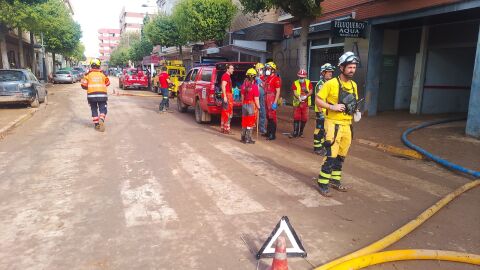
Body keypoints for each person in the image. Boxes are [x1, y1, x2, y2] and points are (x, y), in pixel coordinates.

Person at [315, 52, 360, 197]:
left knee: (341, 155)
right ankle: (322, 182)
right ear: (342, 67)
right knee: (331, 155)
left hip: (347, 125)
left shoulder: (354, 85)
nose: (352, 70)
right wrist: (332, 107)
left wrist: (356, 111)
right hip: (333, 125)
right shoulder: (331, 84)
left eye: (354, 67)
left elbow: (354, 103)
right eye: (349, 67)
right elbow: (318, 100)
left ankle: (335, 180)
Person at [81, 59, 110, 132]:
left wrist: (90, 86)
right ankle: (101, 119)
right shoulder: (103, 74)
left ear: (91, 66)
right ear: (99, 66)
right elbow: (108, 83)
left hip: (91, 96)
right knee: (103, 109)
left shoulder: (87, 75)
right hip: (102, 95)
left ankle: (97, 124)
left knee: (94, 109)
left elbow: (83, 85)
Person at [313, 63, 335, 155]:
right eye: (328, 72)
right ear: (323, 73)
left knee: (324, 130)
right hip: (321, 111)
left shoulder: (328, 83)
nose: (330, 73)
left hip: (327, 111)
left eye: (331, 72)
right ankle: (317, 148)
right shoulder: (320, 84)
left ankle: (321, 146)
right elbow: (318, 100)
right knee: (319, 129)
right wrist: (321, 113)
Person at [289, 69, 312, 138]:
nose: (301, 79)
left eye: (302, 77)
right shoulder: (295, 83)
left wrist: (306, 96)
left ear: (305, 77)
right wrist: (298, 97)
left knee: (304, 119)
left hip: (306, 103)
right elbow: (295, 92)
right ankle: (295, 132)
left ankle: (301, 132)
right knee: (296, 117)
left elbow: (311, 91)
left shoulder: (308, 82)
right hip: (297, 103)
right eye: (300, 77)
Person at [240, 68, 261, 144]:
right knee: (250, 122)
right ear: (254, 77)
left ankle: (243, 137)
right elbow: (256, 99)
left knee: (244, 122)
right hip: (251, 105)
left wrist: (243, 104)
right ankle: (248, 138)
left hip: (244, 104)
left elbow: (242, 96)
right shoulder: (255, 87)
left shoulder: (243, 85)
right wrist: (258, 107)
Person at [264, 61, 281, 140]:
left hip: (272, 97)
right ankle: (268, 132)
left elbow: (278, 91)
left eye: (268, 68)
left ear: (273, 70)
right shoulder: (267, 78)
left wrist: (275, 102)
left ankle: (272, 134)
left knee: (272, 117)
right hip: (267, 96)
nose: (267, 70)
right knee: (268, 116)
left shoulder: (276, 79)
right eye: (267, 68)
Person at [221, 64, 235, 134]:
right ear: (227, 69)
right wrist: (225, 96)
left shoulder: (227, 76)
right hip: (227, 96)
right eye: (231, 68)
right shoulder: (226, 76)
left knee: (225, 112)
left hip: (228, 95)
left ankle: (223, 128)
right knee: (228, 113)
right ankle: (226, 129)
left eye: (233, 68)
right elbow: (223, 86)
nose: (233, 70)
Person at [255, 63, 267, 135]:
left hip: (262, 97)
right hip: (256, 97)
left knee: (262, 112)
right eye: (260, 69)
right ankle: (253, 125)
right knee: (255, 111)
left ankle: (261, 128)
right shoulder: (255, 78)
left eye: (262, 69)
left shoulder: (264, 78)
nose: (262, 70)